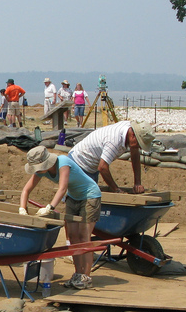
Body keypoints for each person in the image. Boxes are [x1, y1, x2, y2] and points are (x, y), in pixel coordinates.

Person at [19, 145, 101, 290]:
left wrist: (49, 207)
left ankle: (86, 277)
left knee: (84, 237)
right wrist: (22, 209)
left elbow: (62, 188)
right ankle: (77, 274)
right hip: (73, 197)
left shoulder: (63, 162)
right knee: (73, 238)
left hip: (89, 196)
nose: (37, 170)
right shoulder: (41, 171)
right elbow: (26, 190)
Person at [68, 120, 155, 194]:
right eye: (139, 144)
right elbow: (102, 167)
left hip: (92, 165)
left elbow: (135, 156)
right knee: (77, 200)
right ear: (132, 135)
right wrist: (116, 190)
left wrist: (137, 183)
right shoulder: (114, 141)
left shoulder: (131, 129)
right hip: (78, 162)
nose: (139, 147)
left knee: (92, 201)